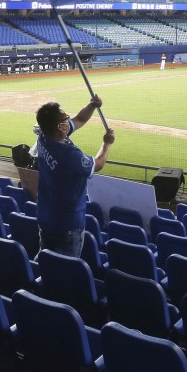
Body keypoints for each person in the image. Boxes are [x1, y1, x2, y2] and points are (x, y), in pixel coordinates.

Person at [35, 96, 115, 257]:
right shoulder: (69, 155)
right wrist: (107, 143)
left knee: (46, 261)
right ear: (59, 127)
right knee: (66, 271)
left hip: (46, 218)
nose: (68, 120)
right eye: (65, 118)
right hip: (68, 225)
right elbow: (97, 164)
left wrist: (92, 106)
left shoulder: (43, 137)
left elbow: (80, 119)